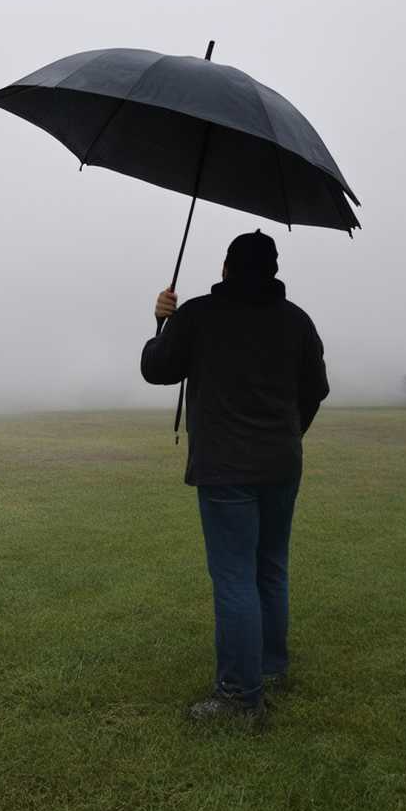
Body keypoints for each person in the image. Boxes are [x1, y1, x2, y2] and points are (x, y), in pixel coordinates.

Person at [140, 228, 329, 726]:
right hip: (283, 464)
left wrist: (161, 321)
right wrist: (291, 432)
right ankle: (268, 668)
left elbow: (156, 370)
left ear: (225, 268)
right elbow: (317, 388)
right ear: (273, 270)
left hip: (226, 470)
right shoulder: (298, 321)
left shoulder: (198, 314)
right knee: (270, 569)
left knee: (234, 578)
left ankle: (239, 698)